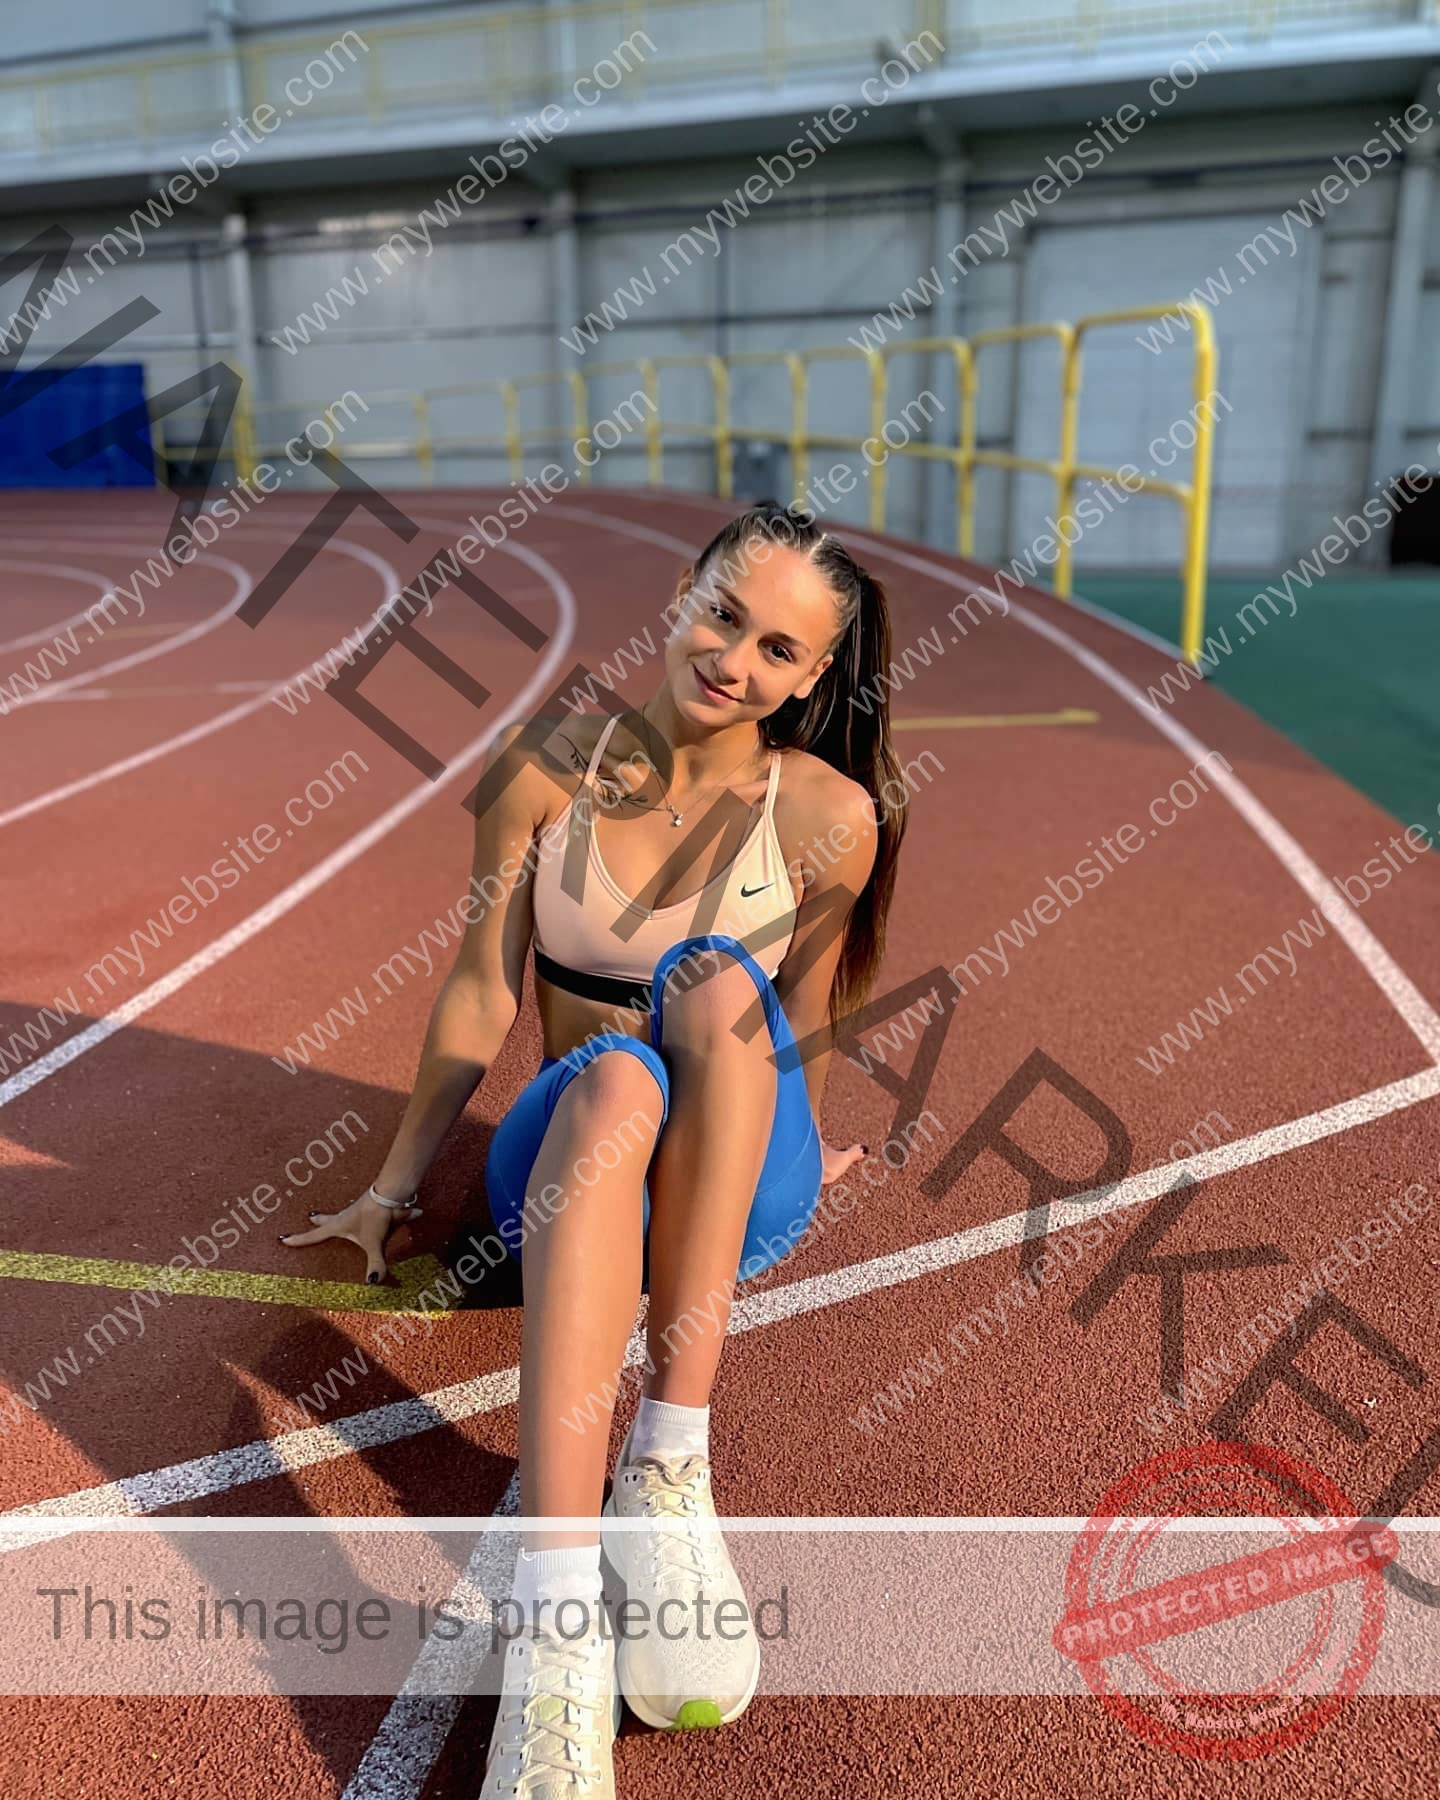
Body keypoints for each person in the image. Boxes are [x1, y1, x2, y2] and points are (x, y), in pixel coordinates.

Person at [279, 501, 911, 1795]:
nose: (737, 659)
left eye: (781, 652)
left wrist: (808, 1144)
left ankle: (671, 1469)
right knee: (618, 1074)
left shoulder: (829, 814)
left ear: (810, 678)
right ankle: (557, 1626)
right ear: (685, 590)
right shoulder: (540, 771)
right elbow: (477, 992)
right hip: (570, 1171)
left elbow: (802, 1027)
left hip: (739, 1182)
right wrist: (392, 1185)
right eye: (726, 614)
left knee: (709, 981)